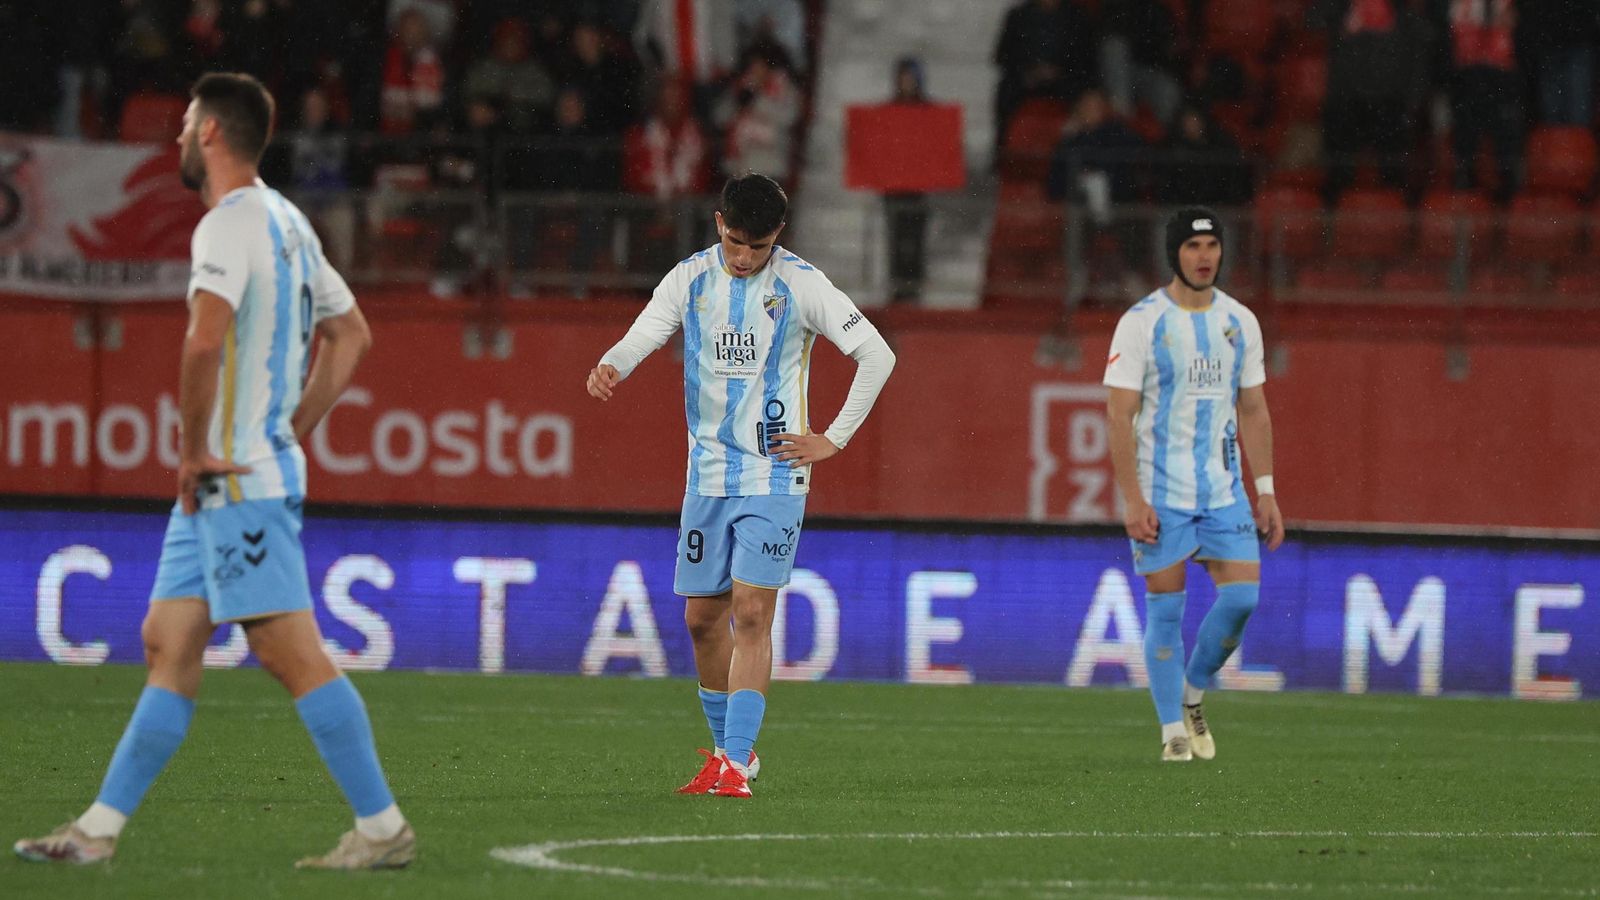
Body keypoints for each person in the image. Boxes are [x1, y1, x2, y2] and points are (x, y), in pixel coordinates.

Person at [14, 72, 414, 869]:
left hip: (234, 479)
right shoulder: (289, 222)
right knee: (168, 641)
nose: (176, 136)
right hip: (229, 480)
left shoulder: (226, 225)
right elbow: (352, 335)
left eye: (185, 122)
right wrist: (291, 429)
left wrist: (197, 448)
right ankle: (97, 831)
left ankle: (382, 829)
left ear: (209, 133)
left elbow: (202, 342)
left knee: (288, 652)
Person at [585, 174, 896, 798]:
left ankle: (733, 762)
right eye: (735, 241)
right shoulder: (690, 278)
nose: (745, 256)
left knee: (753, 611)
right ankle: (731, 753)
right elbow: (648, 329)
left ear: (777, 235)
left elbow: (877, 355)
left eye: (758, 246)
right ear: (718, 223)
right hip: (706, 474)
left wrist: (833, 438)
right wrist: (613, 362)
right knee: (702, 620)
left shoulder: (801, 284)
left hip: (774, 472)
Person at [1103, 208, 1285, 763]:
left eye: (1211, 245)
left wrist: (1266, 489)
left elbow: (1253, 408)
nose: (1204, 256)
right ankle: (1171, 733)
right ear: (1174, 254)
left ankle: (1192, 693)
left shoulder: (1240, 321)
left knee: (1243, 600)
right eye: (1192, 246)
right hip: (1161, 494)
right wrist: (1133, 499)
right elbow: (1119, 415)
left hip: (1224, 492)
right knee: (1165, 612)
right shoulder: (1142, 322)